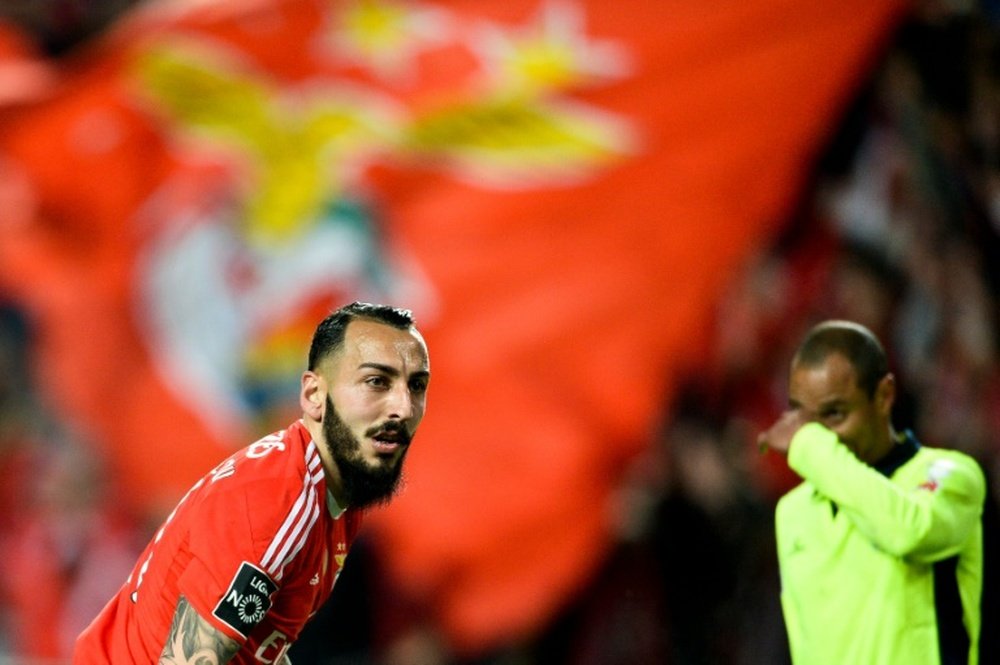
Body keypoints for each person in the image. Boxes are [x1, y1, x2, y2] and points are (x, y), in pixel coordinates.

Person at [74, 302, 431, 664]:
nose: (402, 408)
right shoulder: (278, 503)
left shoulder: (335, 502)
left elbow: (262, 645)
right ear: (314, 396)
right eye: (375, 383)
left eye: (416, 386)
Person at [758, 320, 985, 665]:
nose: (818, 436)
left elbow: (910, 532)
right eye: (804, 420)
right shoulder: (793, 511)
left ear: (884, 396)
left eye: (834, 413)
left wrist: (809, 447)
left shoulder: (951, 476)